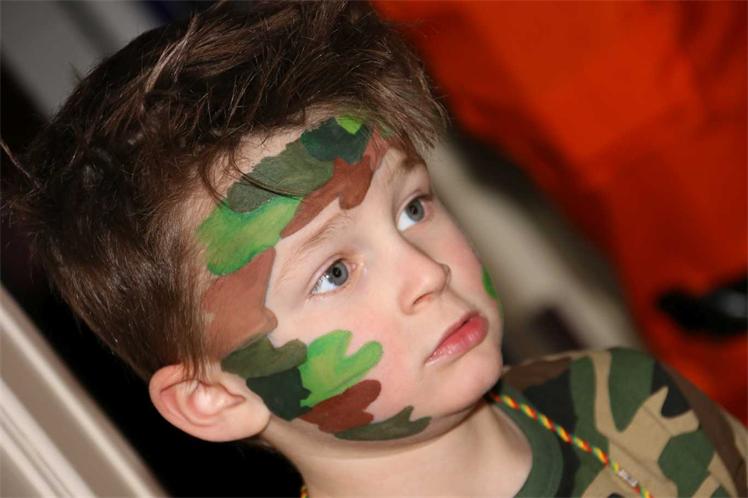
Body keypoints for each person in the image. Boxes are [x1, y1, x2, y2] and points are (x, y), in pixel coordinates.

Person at [8, 2, 745, 497]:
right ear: (217, 397)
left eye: (413, 208)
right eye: (334, 272)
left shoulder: (630, 396)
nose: (427, 271)